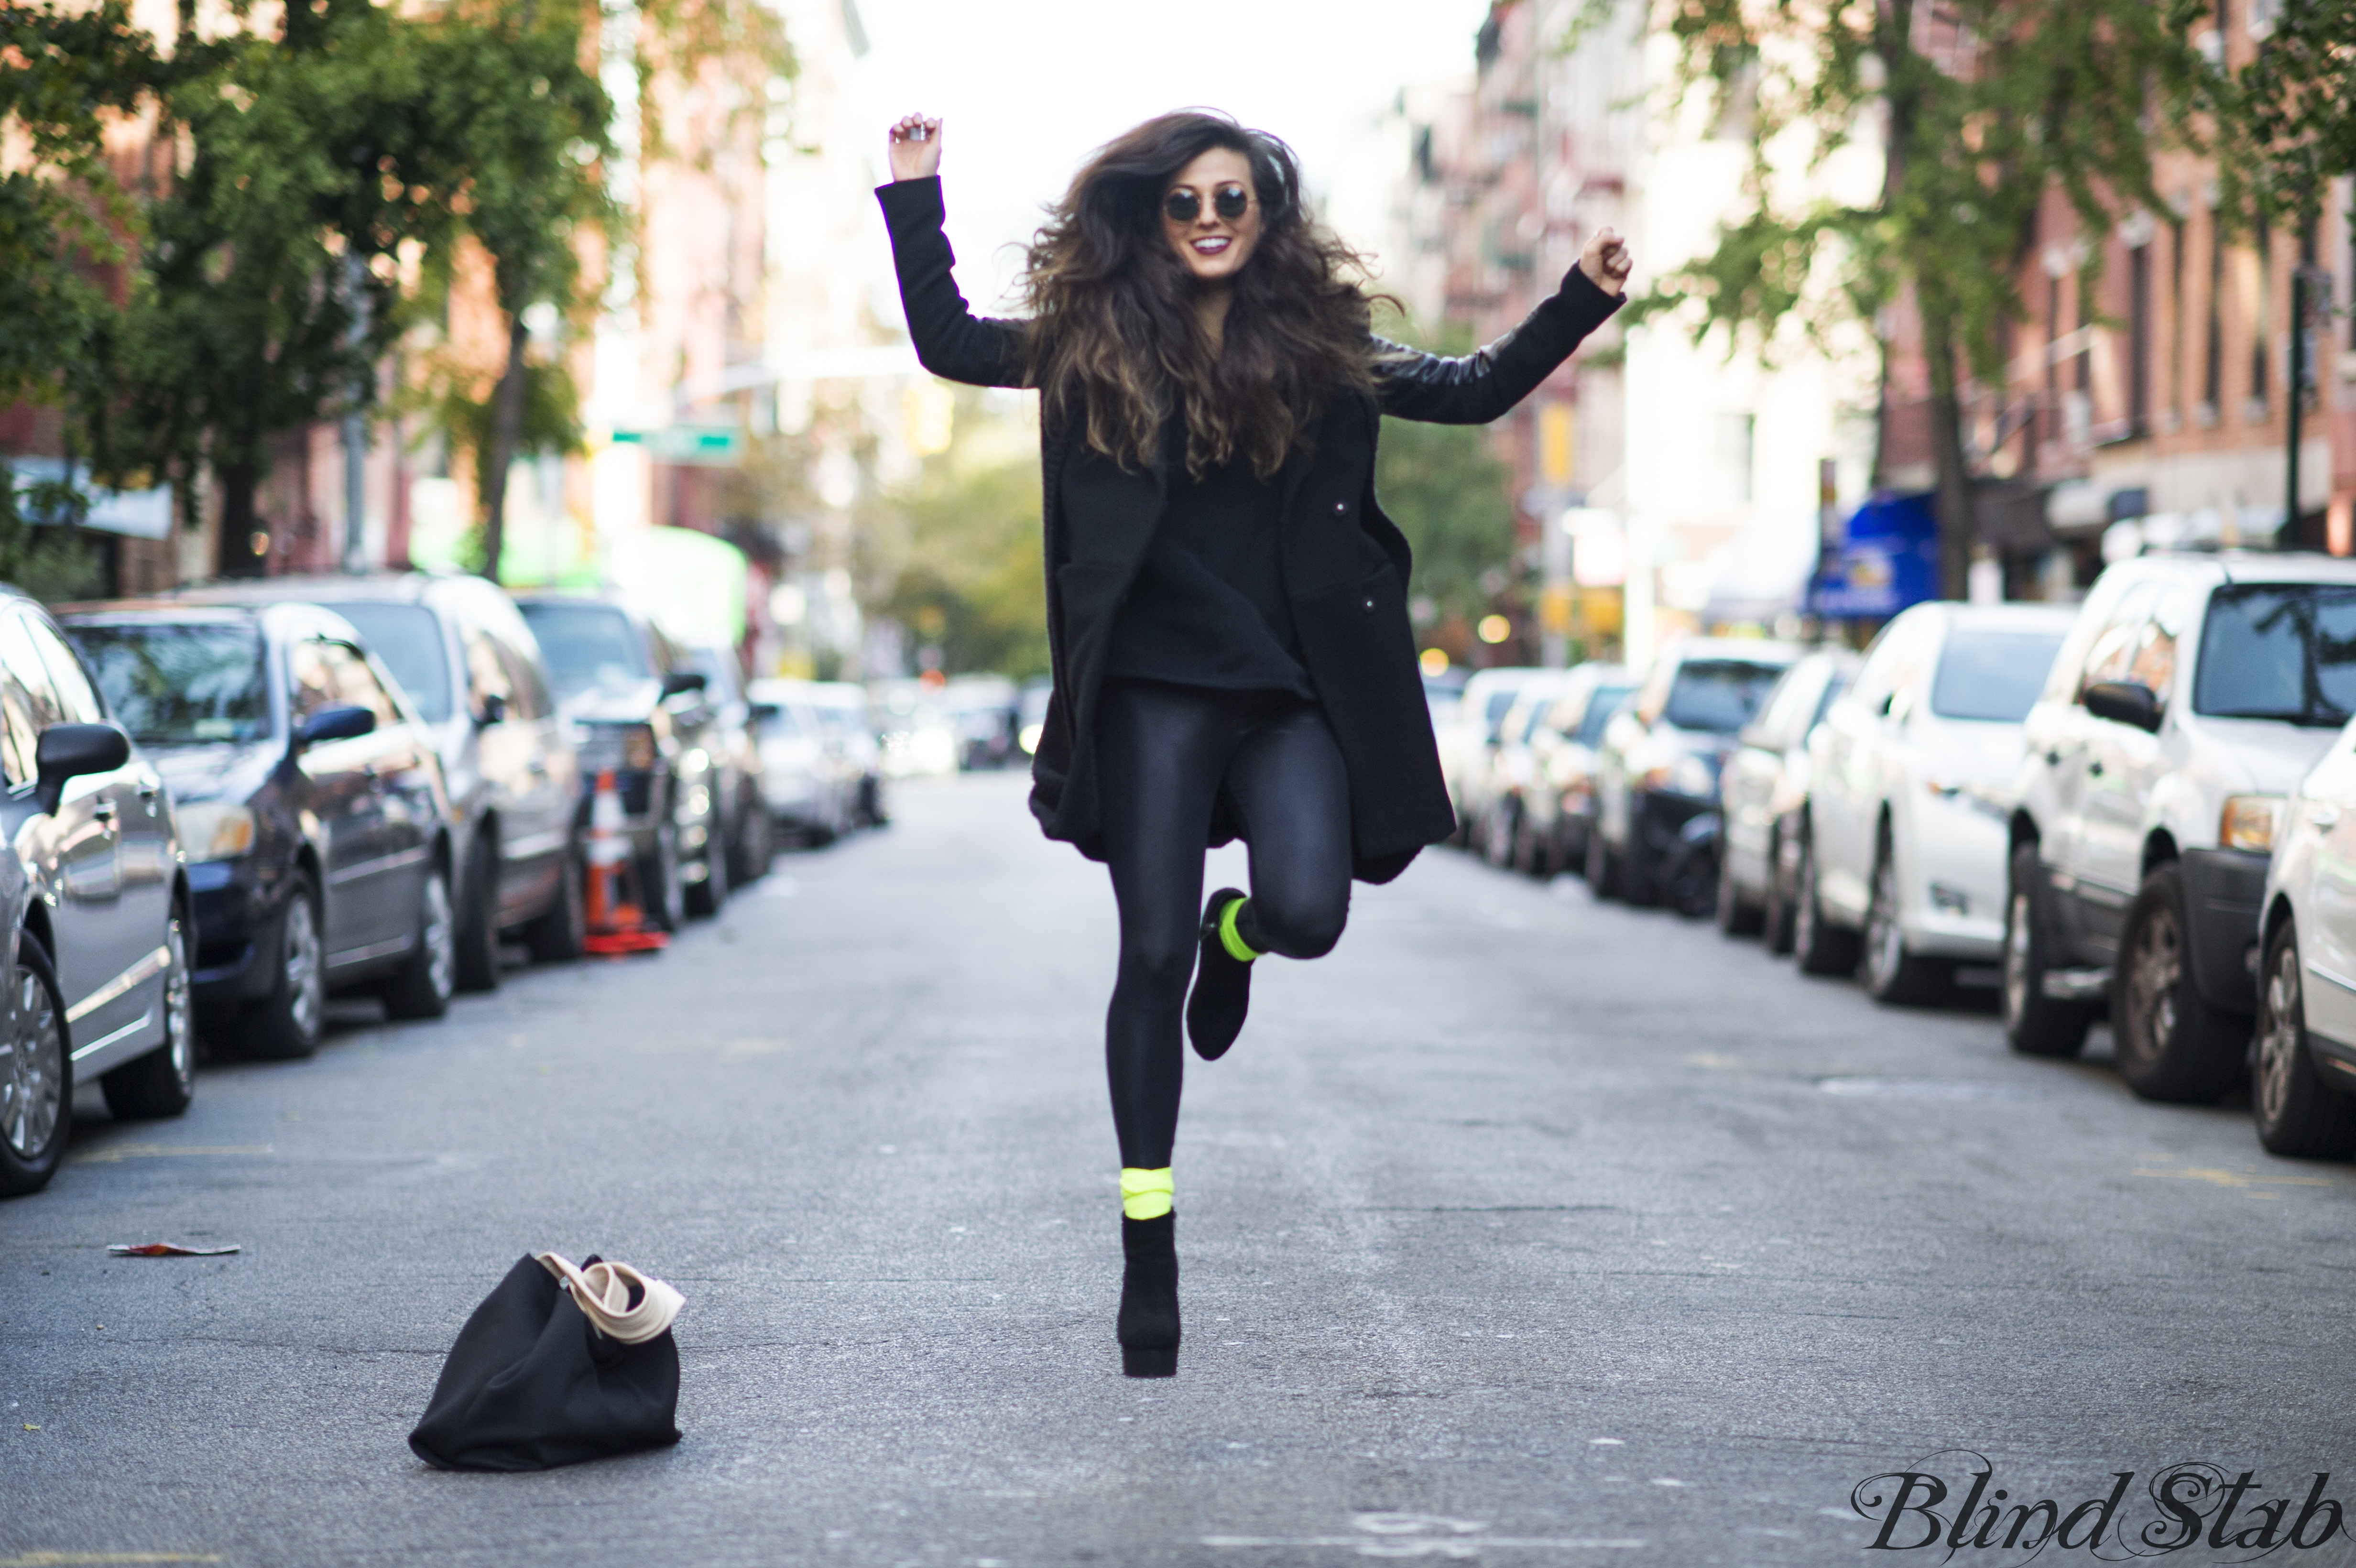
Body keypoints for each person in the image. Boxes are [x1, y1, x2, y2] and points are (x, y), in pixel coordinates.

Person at [879, 109, 1630, 1378]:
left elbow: (1479, 386)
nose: (1213, 219)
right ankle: (1149, 1244)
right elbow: (951, 342)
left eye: (1235, 199)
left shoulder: (1321, 352)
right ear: (1150, 220)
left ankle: (1246, 938)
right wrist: (916, 192)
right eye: (1187, 202)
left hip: (1290, 691)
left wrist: (1581, 297)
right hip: (1152, 688)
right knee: (1149, 950)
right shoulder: (1093, 345)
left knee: (1309, 908)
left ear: (1264, 218)